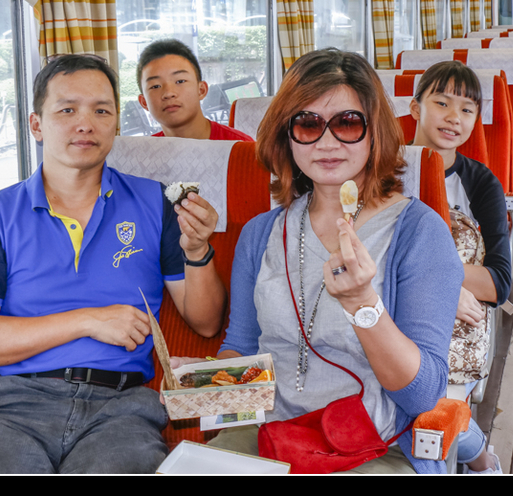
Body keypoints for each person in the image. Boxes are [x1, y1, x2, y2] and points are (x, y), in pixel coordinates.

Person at [179, 48, 462, 474]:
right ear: (286, 137)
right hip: (266, 432)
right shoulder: (261, 234)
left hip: (373, 443)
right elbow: (242, 346)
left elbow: (422, 396)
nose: (327, 142)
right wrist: (201, 379)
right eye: (307, 124)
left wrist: (364, 304)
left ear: (375, 132)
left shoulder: (419, 233)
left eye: (347, 123)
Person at [0, 53, 227, 474]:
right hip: (11, 407)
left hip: (124, 409)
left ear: (116, 123)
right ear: (37, 125)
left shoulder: (156, 203)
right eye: (67, 110)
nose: (85, 123)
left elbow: (204, 322)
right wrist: (88, 320)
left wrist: (197, 249)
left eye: (101, 110)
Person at [409, 60, 511, 475]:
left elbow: (498, 284)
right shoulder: (380, 171)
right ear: (415, 109)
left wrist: (434, 272)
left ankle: (479, 456)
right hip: (386, 312)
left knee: (423, 417)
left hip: (455, 329)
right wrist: (441, 279)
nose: (454, 117)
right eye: (441, 102)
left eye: (467, 109)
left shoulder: (481, 184)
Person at [136, 38, 253, 141]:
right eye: (155, 86)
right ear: (144, 102)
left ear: (201, 90)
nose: (169, 93)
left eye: (180, 81)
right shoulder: (142, 156)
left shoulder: (241, 147)